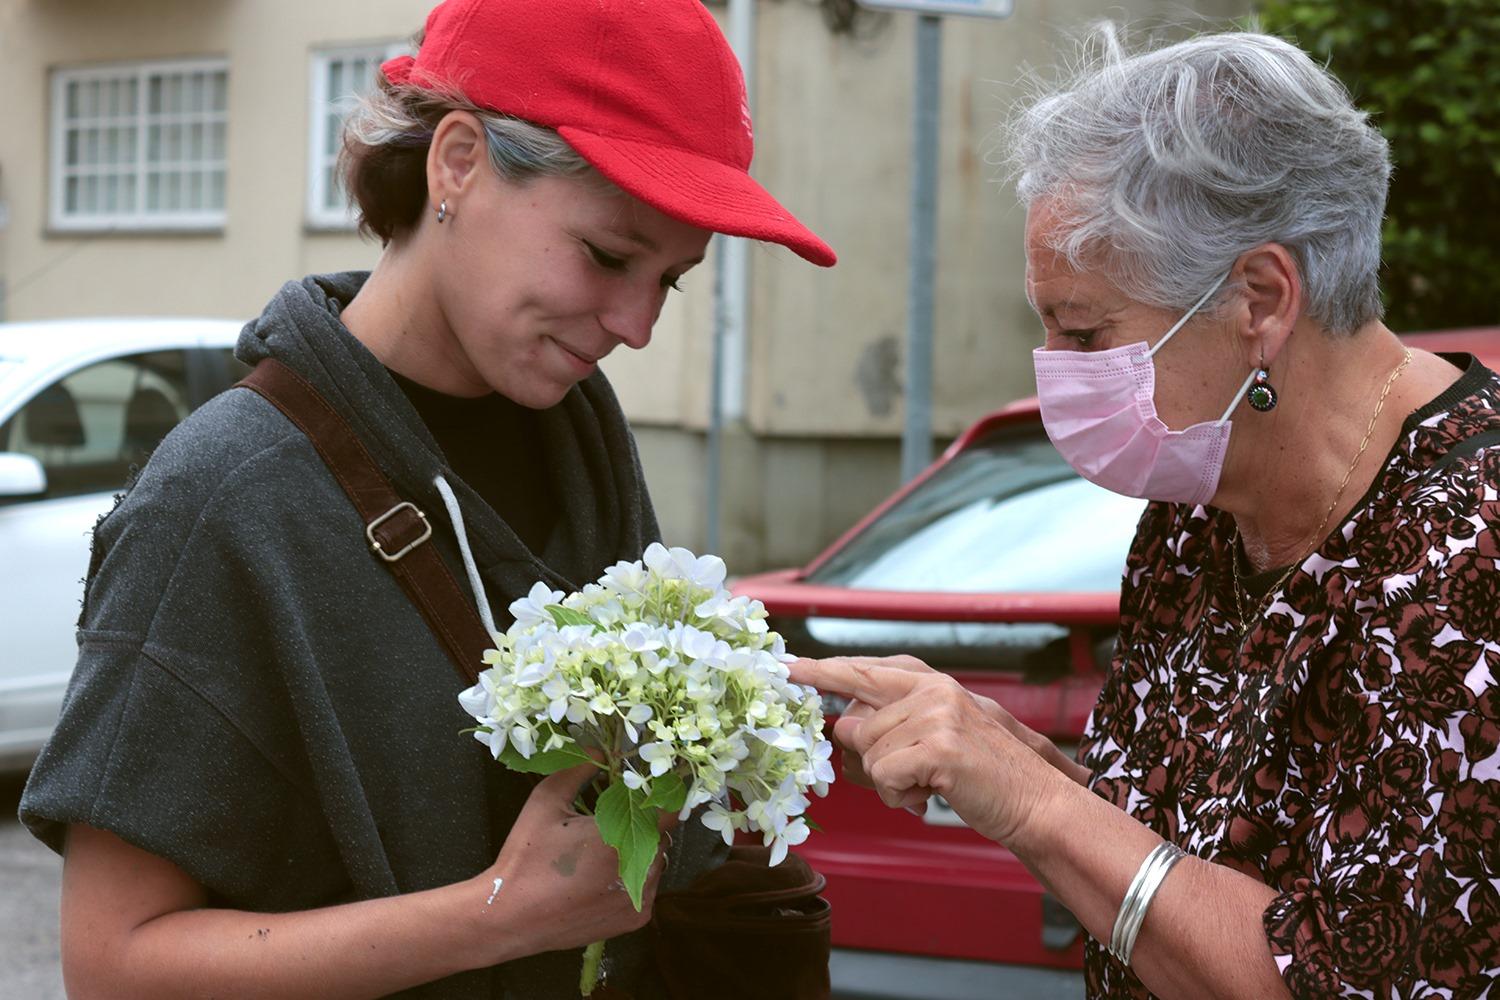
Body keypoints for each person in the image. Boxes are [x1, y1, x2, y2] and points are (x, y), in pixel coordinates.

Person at [18, 1, 833, 998]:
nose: (636, 324)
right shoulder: (222, 496)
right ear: (457, 163)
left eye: (671, 280)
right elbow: (113, 965)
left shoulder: (580, 430)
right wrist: (499, 914)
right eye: (609, 256)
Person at [790, 26, 1500, 1000]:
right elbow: (1173, 846)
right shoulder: (1203, 497)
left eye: (1084, 332)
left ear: (1260, 300)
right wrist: (996, 759)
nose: (1054, 372)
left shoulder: (1469, 551)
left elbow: (1345, 976)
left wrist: (1035, 802)